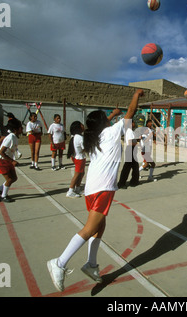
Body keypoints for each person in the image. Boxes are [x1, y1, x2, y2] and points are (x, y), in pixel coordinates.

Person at [47, 89, 144, 292]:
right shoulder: (111, 131)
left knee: (100, 226)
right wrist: (136, 95)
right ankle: (59, 262)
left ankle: (91, 264)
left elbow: (100, 123)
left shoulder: (94, 136)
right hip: (103, 188)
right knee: (90, 229)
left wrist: (110, 114)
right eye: (107, 119)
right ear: (106, 123)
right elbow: (131, 111)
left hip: (92, 188)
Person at [0, 118, 23, 203]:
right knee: (9, 179)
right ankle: (4, 196)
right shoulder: (10, 137)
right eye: (21, 127)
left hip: (7, 159)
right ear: (15, 129)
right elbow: (1, 152)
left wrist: (16, 153)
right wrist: (12, 161)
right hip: (1, 160)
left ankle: (0, 189)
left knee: (14, 178)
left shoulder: (15, 137)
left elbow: (12, 147)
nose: (22, 129)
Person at [117, 120, 140, 188]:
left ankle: (134, 181)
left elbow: (133, 140)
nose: (134, 124)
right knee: (127, 167)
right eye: (133, 123)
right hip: (130, 149)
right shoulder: (129, 131)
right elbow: (130, 142)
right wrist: (137, 142)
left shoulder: (131, 131)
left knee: (135, 166)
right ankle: (122, 183)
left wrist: (137, 139)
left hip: (132, 149)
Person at [66, 121, 85, 198]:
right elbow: (85, 148)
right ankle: (70, 190)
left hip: (76, 157)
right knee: (77, 174)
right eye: (82, 125)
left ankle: (77, 188)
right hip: (79, 158)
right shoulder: (80, 138)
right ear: (79, 127)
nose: (83, 126)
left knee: (81, 173)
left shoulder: (75, 136)